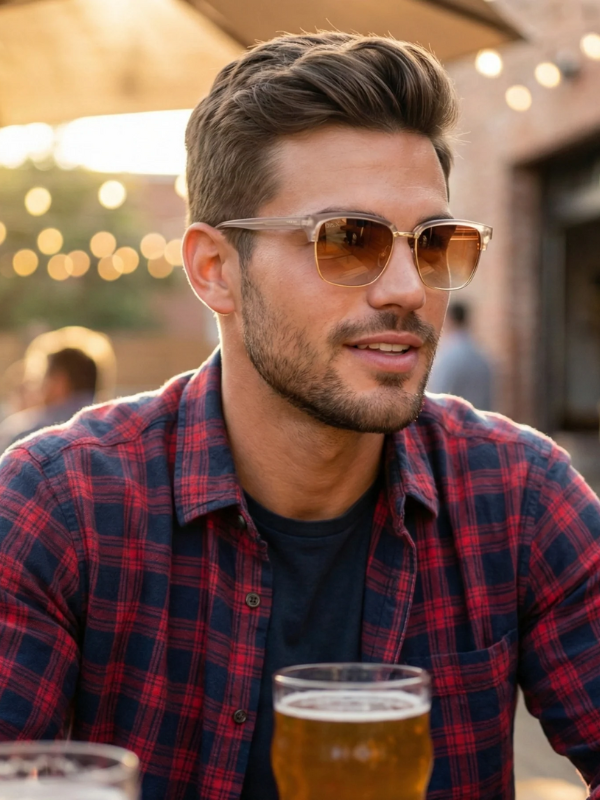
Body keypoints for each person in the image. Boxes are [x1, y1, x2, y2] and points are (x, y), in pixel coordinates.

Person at [0, 32, 599, 800]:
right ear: (215, 270)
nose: (408, 290)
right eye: (348, 240)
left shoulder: (517, 497)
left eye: (433, 243)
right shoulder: (61, 508)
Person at [0, 326, 115, 454]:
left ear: (60, 381)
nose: (38, 388)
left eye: (41, 378)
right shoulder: (117, 429)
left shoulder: (24, 435)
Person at [427, 301, 493, 409]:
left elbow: (438, 396)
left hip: (454, 422)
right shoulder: (481, 355)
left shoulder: (449, 355)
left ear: (449, 320)